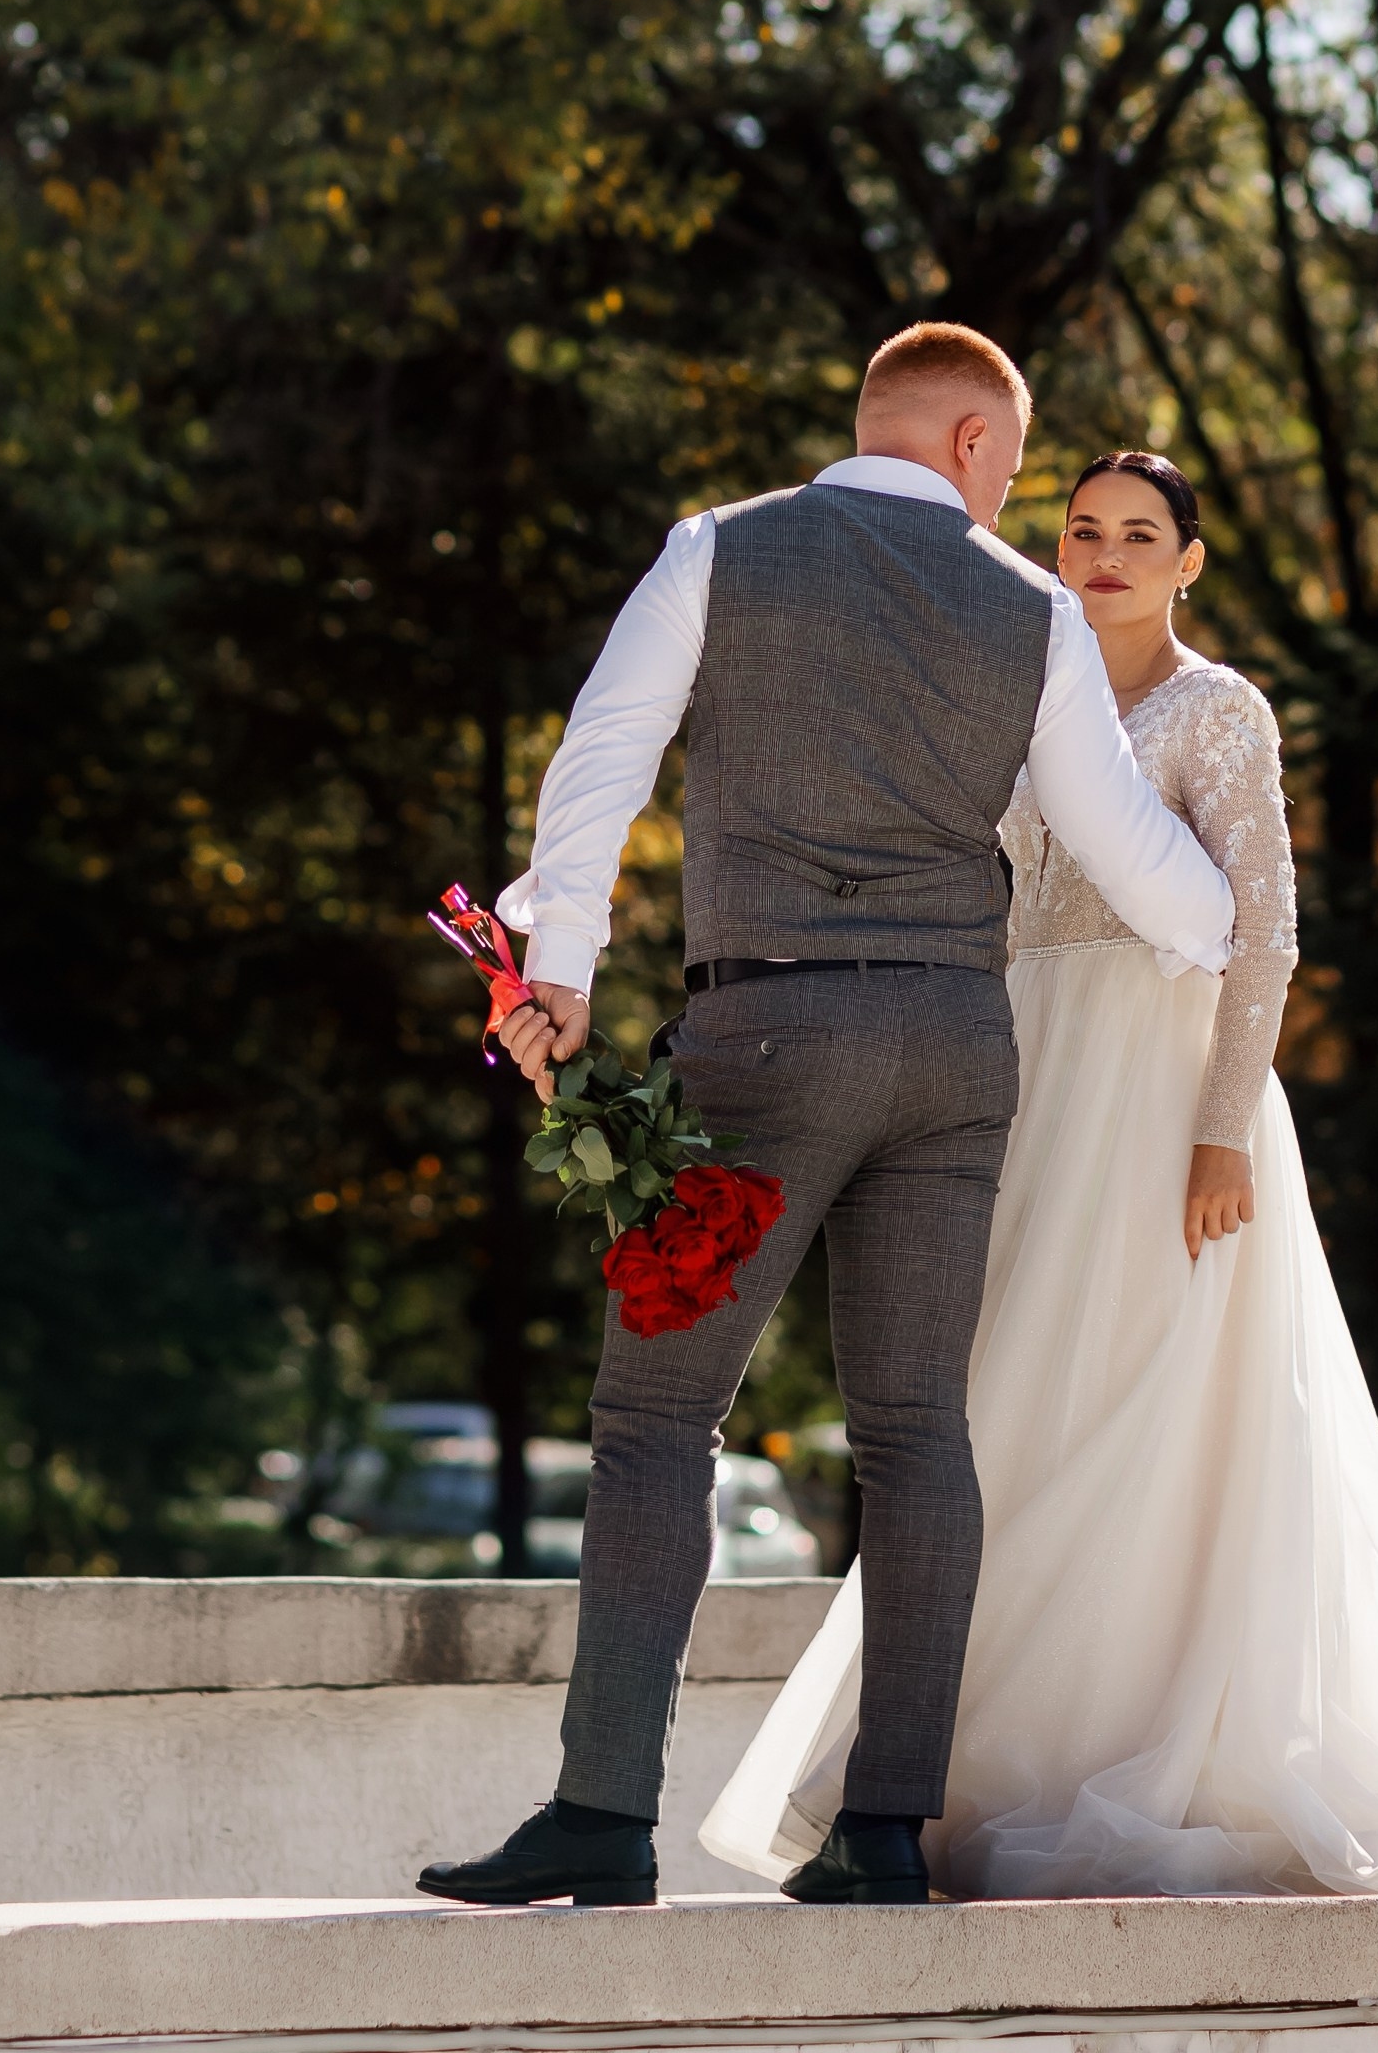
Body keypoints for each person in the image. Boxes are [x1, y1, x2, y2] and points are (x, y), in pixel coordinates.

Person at [702, 448, 1378, 1900]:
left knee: (1153, 1401)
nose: (1110, 555)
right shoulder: (1014, 688)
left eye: (1143, 535)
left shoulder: (1219, 710)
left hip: (1163, 1090)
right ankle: (941, 1765)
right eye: (1083, 531)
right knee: (999, 1405)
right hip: (1015, 1076)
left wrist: (1218, 1124)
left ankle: (1139, 1749)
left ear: (1189, 560)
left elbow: (1265, 938)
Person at [417, 333, 1237, 1913]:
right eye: (1018, 462)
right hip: (953, 1048)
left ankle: (601, 1814)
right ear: (977, 437)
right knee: (920, 1435)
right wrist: (1237, 926)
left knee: (658, 1426)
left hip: (763, 1038)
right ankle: (882, 1836)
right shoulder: (1032, 614)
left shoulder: (718, 551)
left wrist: (563, 969)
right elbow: (1132, 856)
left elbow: (604, 759)